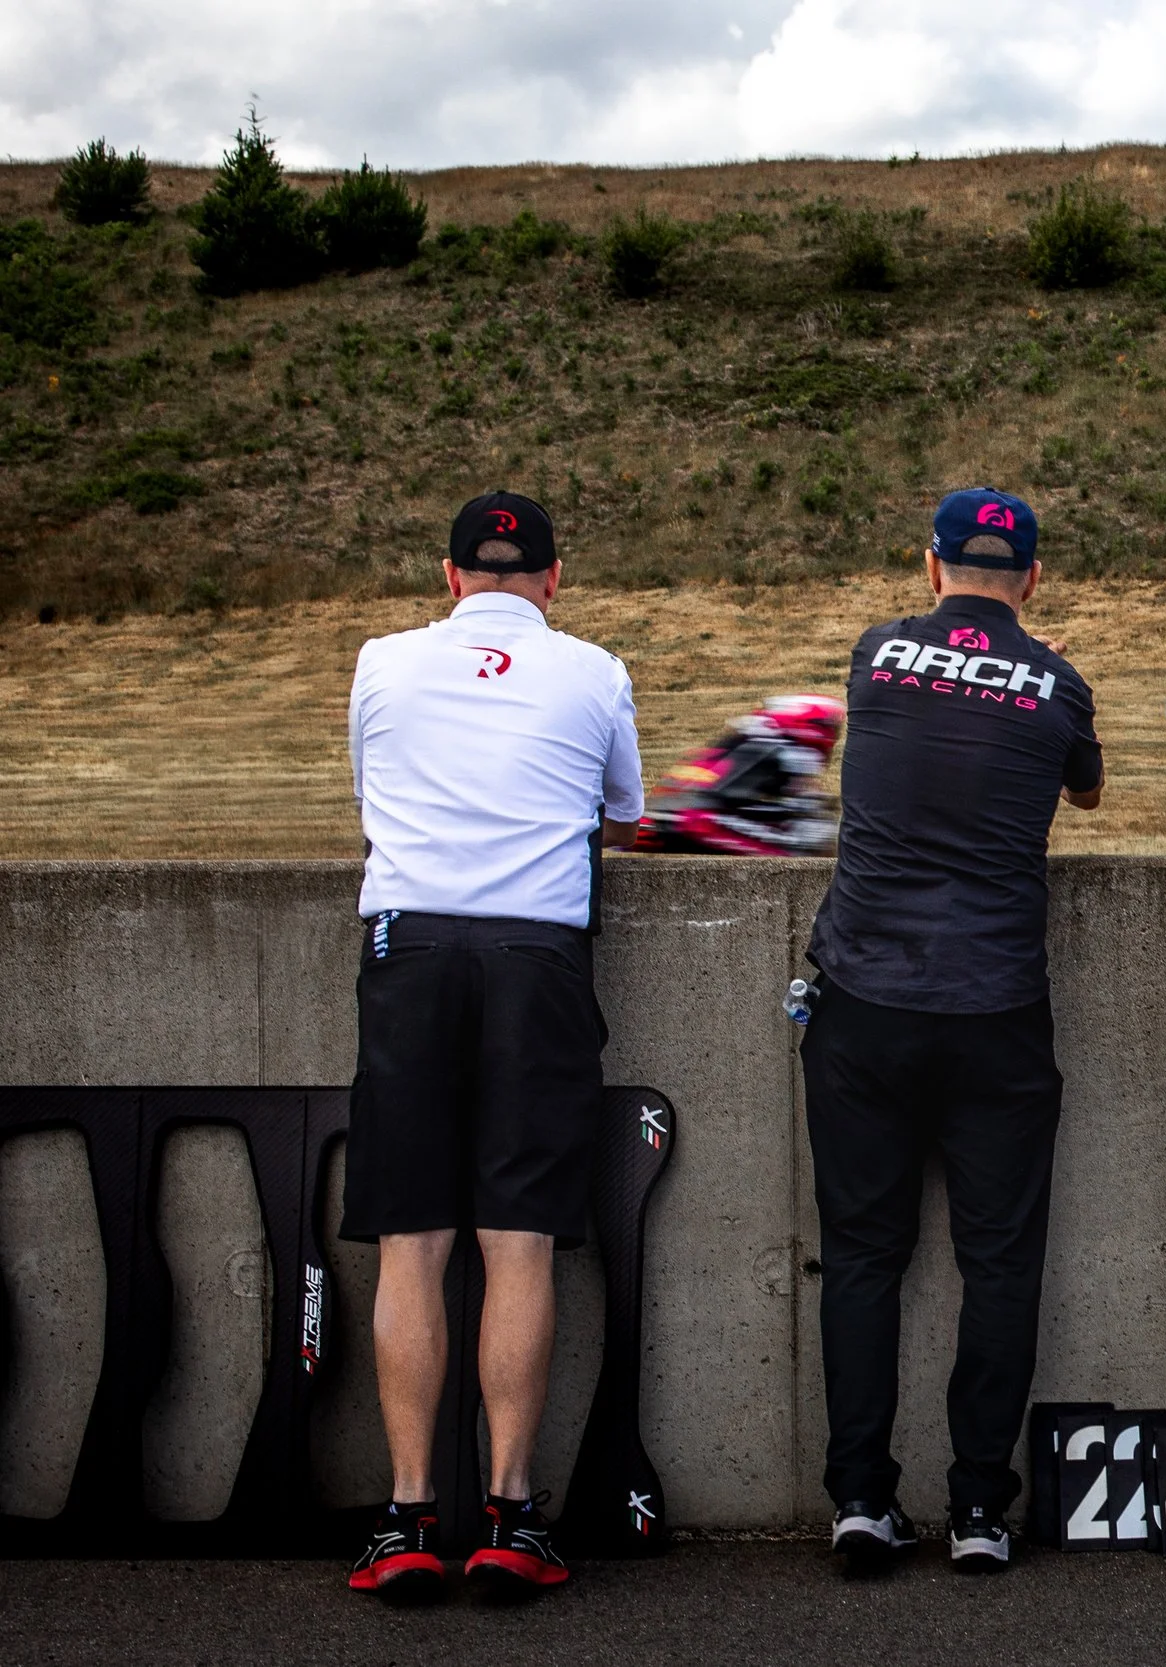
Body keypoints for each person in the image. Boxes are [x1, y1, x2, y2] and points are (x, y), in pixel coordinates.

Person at [341, 491, 644, 1605]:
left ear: (449, 573)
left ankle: (409, 1513)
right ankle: (514, 1515)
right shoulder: (596, 670)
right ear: (555, 579)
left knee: (411, 1242)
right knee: (518, 1241)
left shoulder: (381, 660)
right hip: (537, 954)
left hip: (410, 946)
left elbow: (375, 805)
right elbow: (622, 811)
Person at [801, 487, 1103, 1576]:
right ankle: (980, 1506)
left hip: (864, 1001)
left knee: (865, 1258)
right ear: (1031, 576)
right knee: (1000, 1264)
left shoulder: (876, 655)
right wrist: (1043, 666)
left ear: (931, 567)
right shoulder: (1058, 682)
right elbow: (1090, 790)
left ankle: (858, 1500)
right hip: (994, 1008)